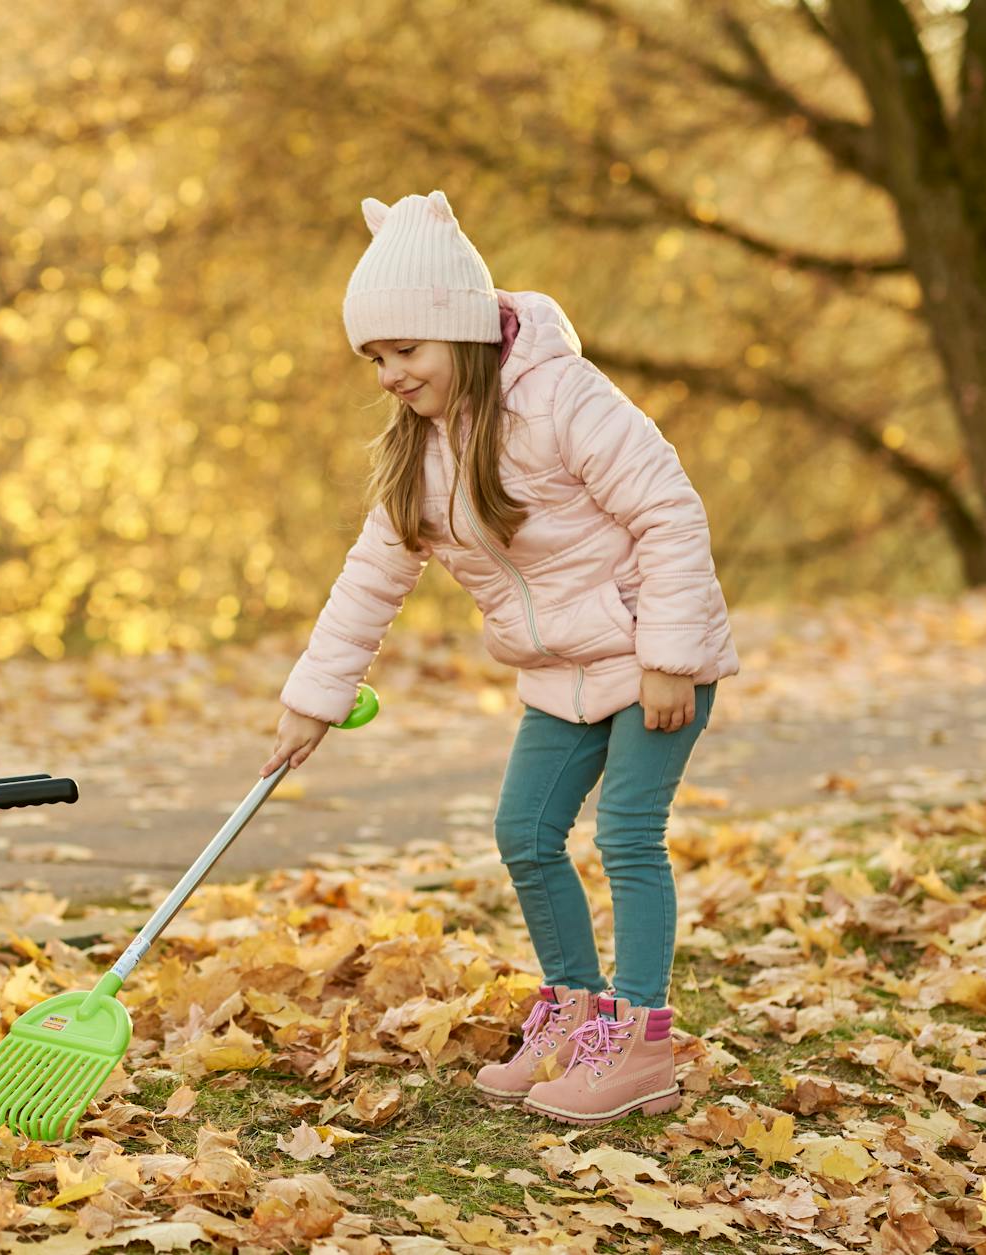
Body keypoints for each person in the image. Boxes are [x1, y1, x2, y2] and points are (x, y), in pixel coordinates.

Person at [261, 190, 739, 1127]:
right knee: (524, 832)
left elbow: (668, 510)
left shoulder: (561, 398)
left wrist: (671, 655)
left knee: (626, 836)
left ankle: (641, 1039)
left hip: (651, 657)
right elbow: (371, 578)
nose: (391, 373)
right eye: (375, 358)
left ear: (461, 331)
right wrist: (313, 699)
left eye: (406, 350)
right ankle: (573, 1012)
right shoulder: (421, 454)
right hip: (558, 676)